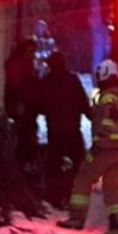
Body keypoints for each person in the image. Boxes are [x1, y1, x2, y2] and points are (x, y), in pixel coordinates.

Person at [57, 59, 118, 234]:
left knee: (84, 176)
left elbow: (107, 120)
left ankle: (76, 218)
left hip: (105, 147)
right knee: (111, 187)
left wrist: (98, 144)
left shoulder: (107, 97)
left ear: (103, 75)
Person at [39, 51, 89, 206]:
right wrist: (94, 117)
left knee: (54, 166)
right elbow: (83, 102)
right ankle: (79, 196)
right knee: (81, 165)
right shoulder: (72, 81)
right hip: (72, 129)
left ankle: (55, 197)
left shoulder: (46, 82)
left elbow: (40, 105)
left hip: (55, 131)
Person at [4, 38, 41, 166]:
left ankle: (27, 160)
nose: (32, 54)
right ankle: (22, 160)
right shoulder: (16, 64)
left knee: (28, 131)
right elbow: (16, 86)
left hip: (28, 104)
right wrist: (20, 103)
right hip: (21, 104)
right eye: (30, 51)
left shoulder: (27, 63)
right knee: (23, 133)